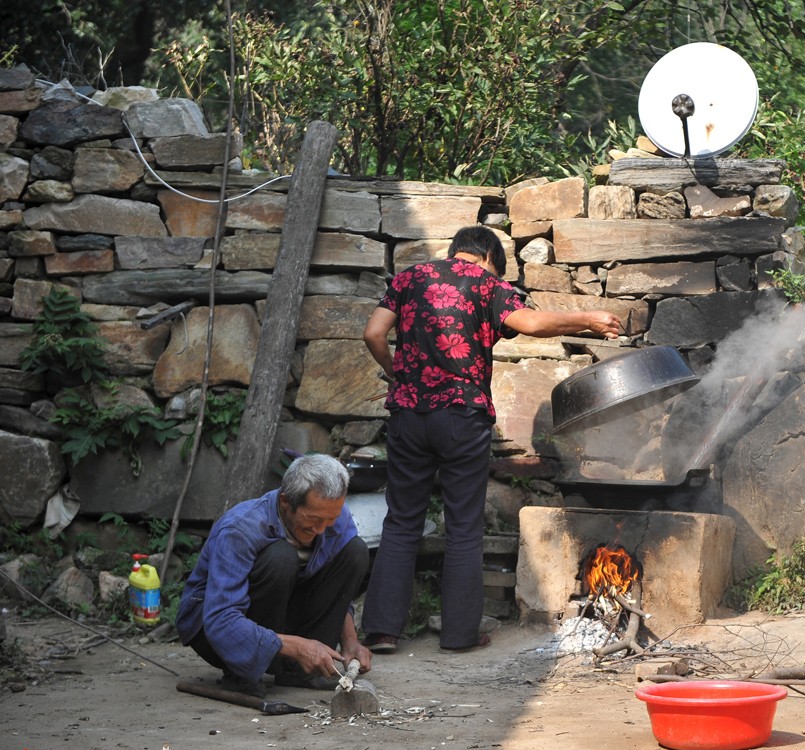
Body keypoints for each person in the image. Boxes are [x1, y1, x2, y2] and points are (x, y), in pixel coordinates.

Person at [360, 225, 622, 654]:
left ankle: (383, 632)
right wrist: (586, 318)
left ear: (455, 250)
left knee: (402, 521)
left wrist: (396, 375)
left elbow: (372, 333)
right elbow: (531, 322)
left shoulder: (410, 278)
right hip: (462, 416)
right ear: (487, 257)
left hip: (409, 414)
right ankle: (459, 635)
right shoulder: (487, 283)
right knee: (463, 528)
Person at [177, 454, 372, 697]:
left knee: (355, 551)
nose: (321, 529)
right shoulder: (240, 529)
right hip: (213, 628)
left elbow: (336, 587)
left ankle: (299, 672)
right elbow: (221, 620)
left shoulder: (333, 515)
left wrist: (350, 640)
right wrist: (297, 646)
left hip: (281, 613)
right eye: (312, 519)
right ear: (285, 503)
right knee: (281, 558)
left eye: (330, 519)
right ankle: (241, 673)